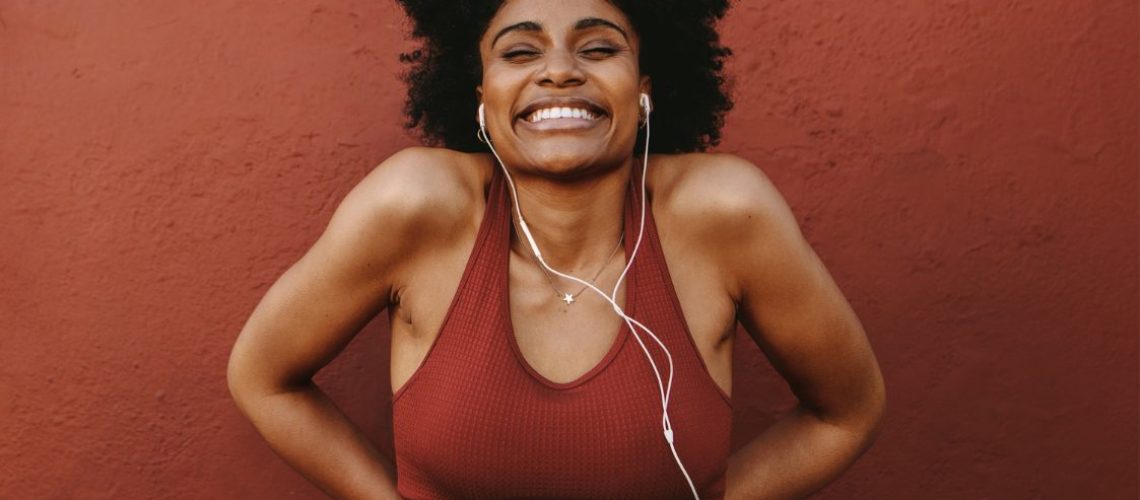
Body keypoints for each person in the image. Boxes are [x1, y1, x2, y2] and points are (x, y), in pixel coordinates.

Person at [227, 0, 886, 498]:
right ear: (480, 97)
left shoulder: (724, 215)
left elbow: (848, 411)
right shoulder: (416, 207)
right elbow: (261, 376)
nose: (561, 72)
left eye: (599, 48)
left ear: (645, 88)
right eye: (520, 52)